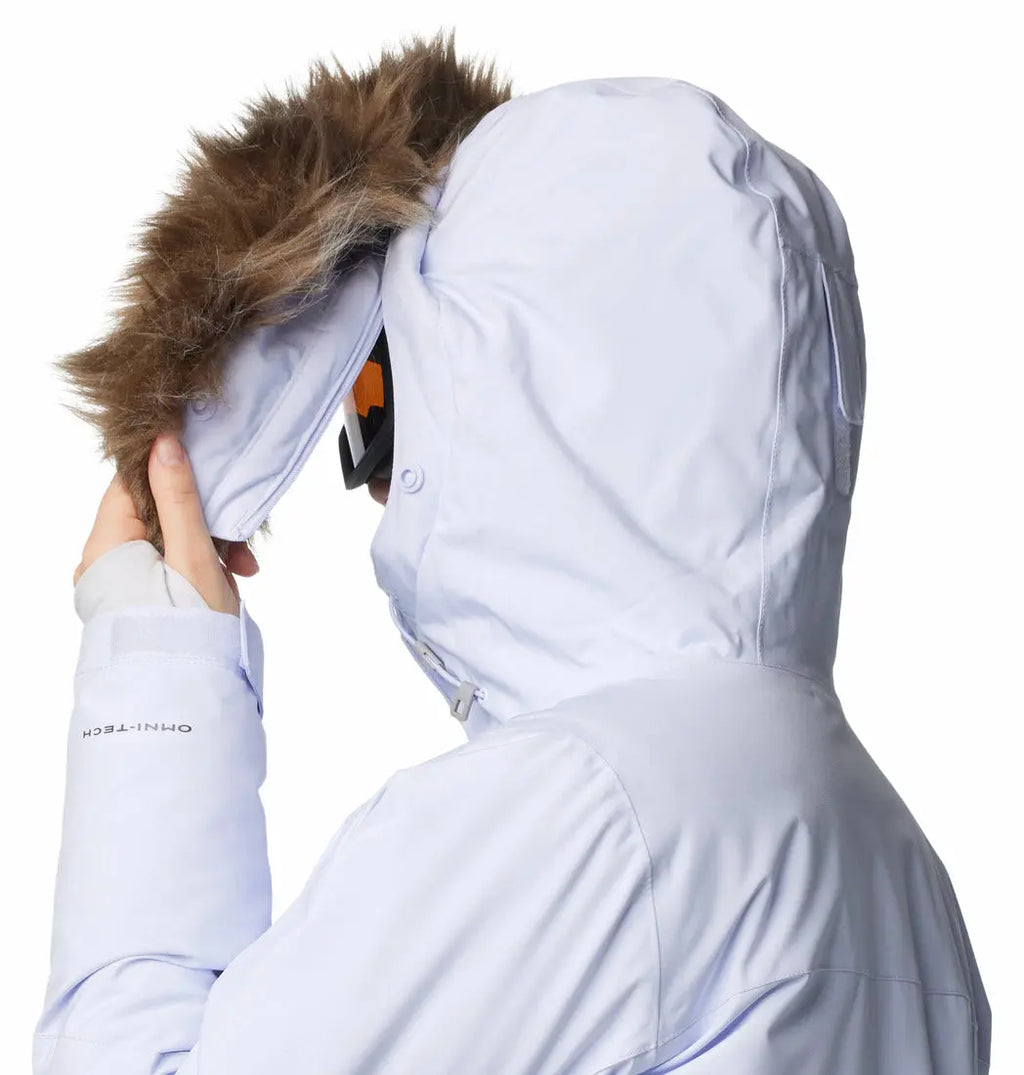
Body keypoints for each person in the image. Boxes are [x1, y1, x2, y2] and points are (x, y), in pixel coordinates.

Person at [34, 32, 991, 1075]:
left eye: (382, 398)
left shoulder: (584, 815)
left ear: (521, 398)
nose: (377, 478)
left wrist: (155, 670)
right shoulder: (897, 862)